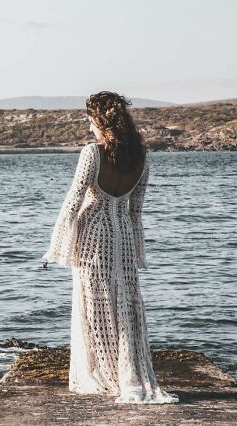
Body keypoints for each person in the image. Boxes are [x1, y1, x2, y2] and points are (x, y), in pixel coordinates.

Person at [42, 91, 179, 404]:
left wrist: (59, 247)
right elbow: (135, 212)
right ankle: (128, 374)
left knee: (95, 307)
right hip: (124, 240)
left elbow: (74, 200)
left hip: (93, 240)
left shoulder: (93, 153)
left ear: (100, 121)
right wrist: (137, 252)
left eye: (91, 119)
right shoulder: (142, 159)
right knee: (126, 307)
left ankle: (103, 375)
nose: (89, 126)